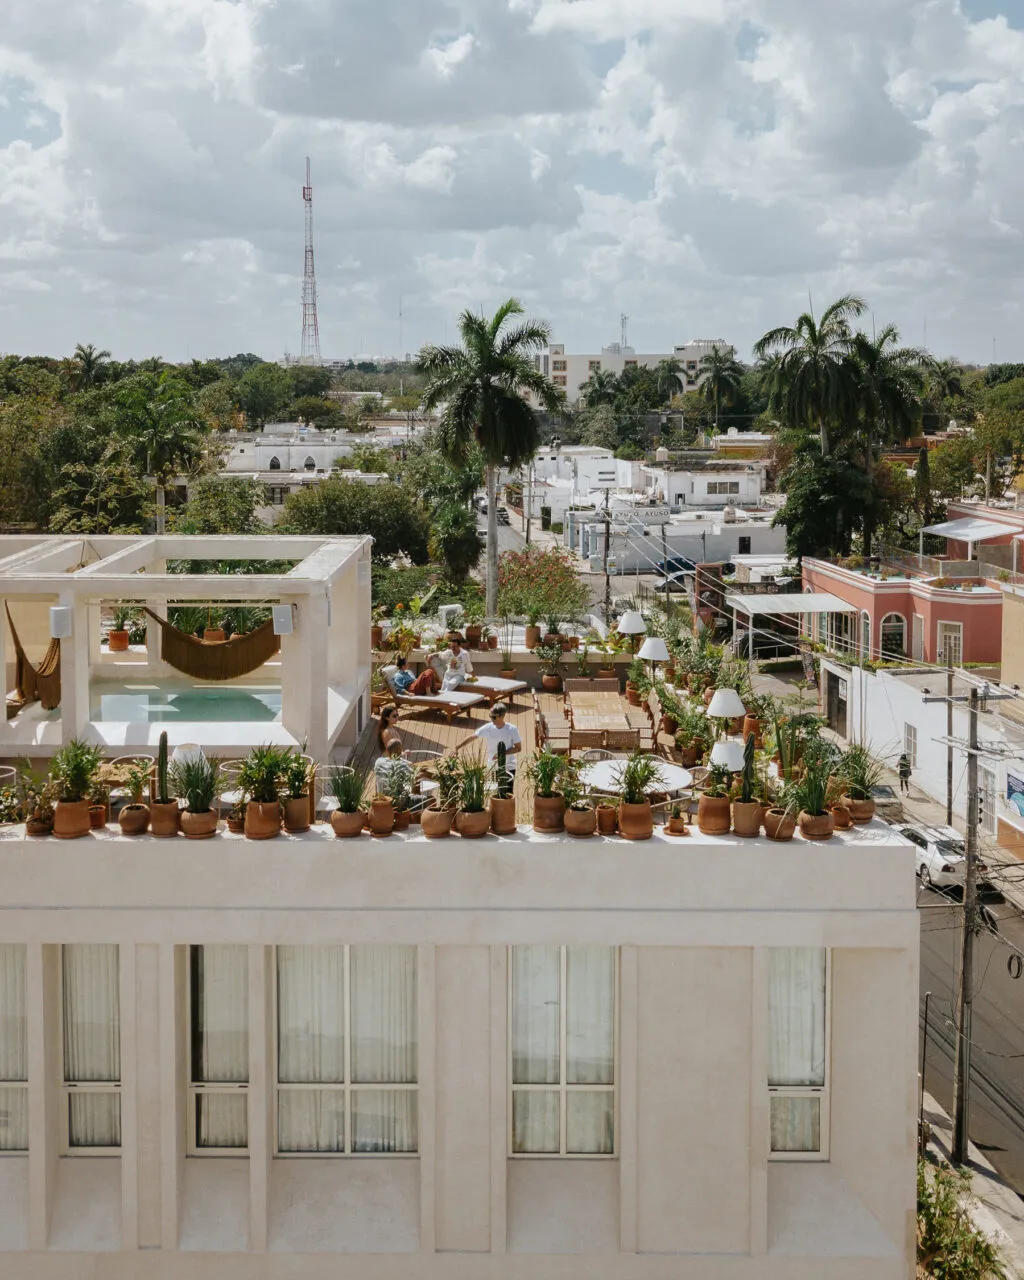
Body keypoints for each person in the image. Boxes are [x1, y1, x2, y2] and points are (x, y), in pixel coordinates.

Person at [473, 703, 522, 773]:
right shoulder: (488, 727)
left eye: (494, 717)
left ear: (502, 716)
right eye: (490, 716)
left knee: (508, 784)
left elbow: (518, 748)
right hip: (492, 767)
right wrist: (457, 748)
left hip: (509, 766)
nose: (491, 719)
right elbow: (472, 737)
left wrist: (502, 754)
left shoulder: (512, 729)